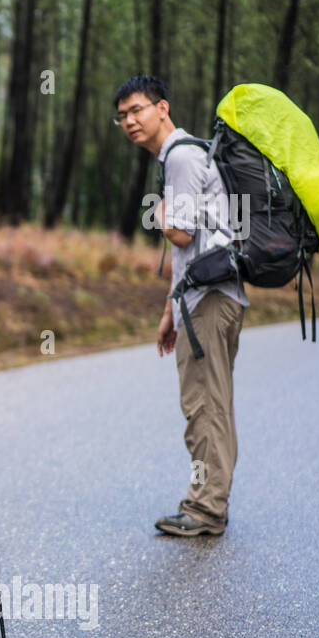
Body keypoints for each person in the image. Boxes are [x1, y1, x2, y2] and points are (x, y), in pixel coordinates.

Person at [113, 74, 248, 537]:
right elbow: (189, 246)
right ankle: (211, 503)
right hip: (205, 297)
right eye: (122, 116)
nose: (129, 121)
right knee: (214, 403)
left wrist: (160, 213)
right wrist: (171, 309)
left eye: (137, 110)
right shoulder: (185, 156)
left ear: (162, 108)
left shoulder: (182, 157)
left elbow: (183, 232)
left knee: (204, 405)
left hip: (210, 300)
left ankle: (206, 508)